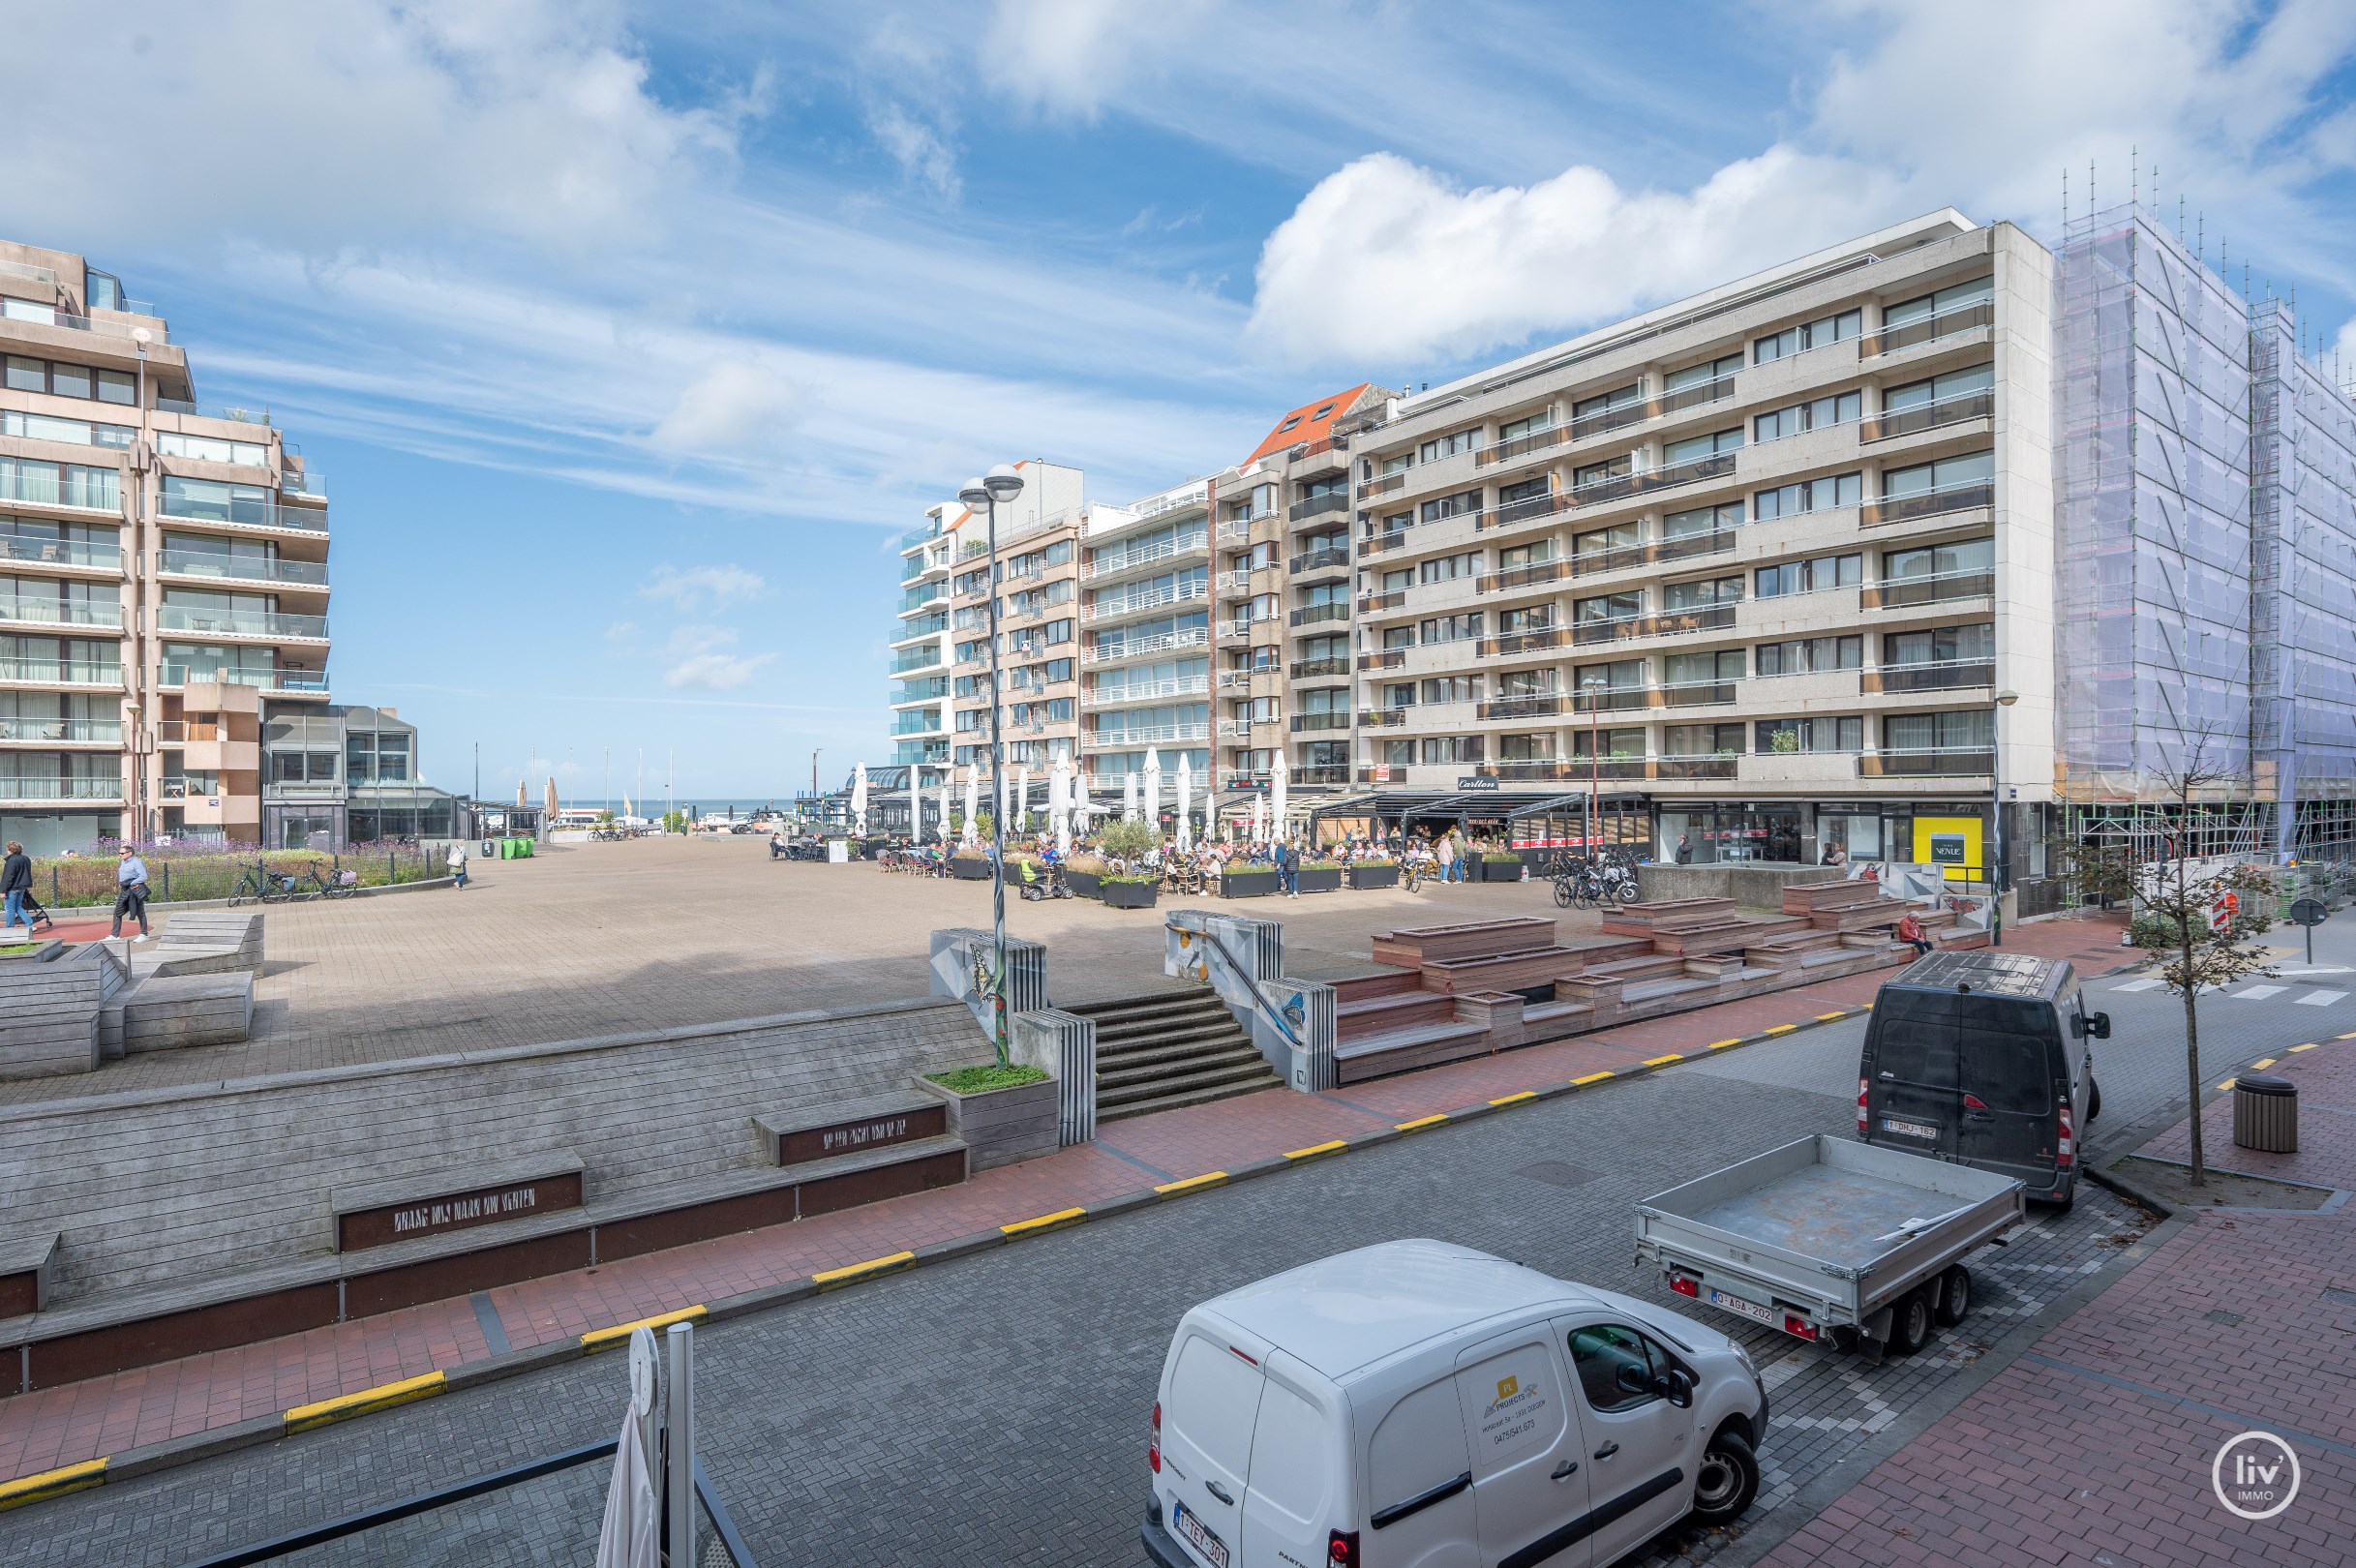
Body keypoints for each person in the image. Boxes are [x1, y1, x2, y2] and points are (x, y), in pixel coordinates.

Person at [111, 845, 152, 941]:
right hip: (125, 890)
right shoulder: (123, 862)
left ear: (129, 853)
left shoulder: (137, 862)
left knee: (139, 912)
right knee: (118, 911)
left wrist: (130, 883)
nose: (120, 855)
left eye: (122, 853)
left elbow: (143, 876)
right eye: (119, 853)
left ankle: (144, 935)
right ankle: (114, 935)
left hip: (134, 889)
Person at [1, 841, 30, 936]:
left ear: (10, 850)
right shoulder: (26, 859)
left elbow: (8, 876)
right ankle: (29, 923)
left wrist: (3, 890)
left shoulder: (11, 861)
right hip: (22, 887)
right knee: (18, 907)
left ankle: (9, 926)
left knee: (10, 908)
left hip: (12, 888)